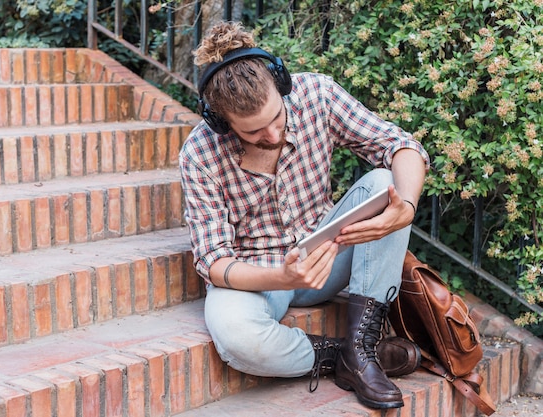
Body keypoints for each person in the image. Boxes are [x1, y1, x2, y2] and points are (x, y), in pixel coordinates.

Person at [179, 21, 430, 409]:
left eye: (277, 119)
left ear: (281, 87)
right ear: (222, 122)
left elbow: (399, 145)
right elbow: (213, 261)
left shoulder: (316, 93)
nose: (273, 135)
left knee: (385, 183)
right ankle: (343, 356)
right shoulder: (199, 152)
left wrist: (407, 208)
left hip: (328, 252)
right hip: (259, 275)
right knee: (236, 337)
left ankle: (362, 347)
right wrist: (281, 276)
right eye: (254, 132)